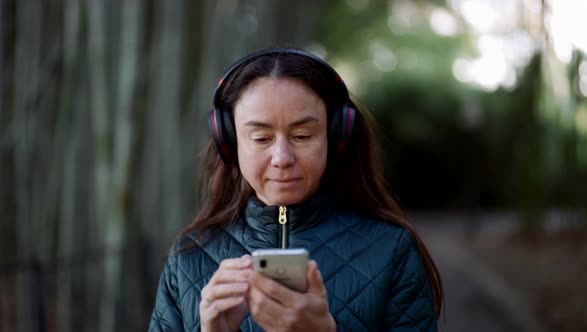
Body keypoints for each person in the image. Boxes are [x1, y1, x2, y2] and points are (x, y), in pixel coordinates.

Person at [149, 47, 443, 331]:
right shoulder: (188, 257)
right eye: (261, 138)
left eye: (302, 136)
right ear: (230, 142)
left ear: (336, 135)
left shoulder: (391, 251)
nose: (282, 158)